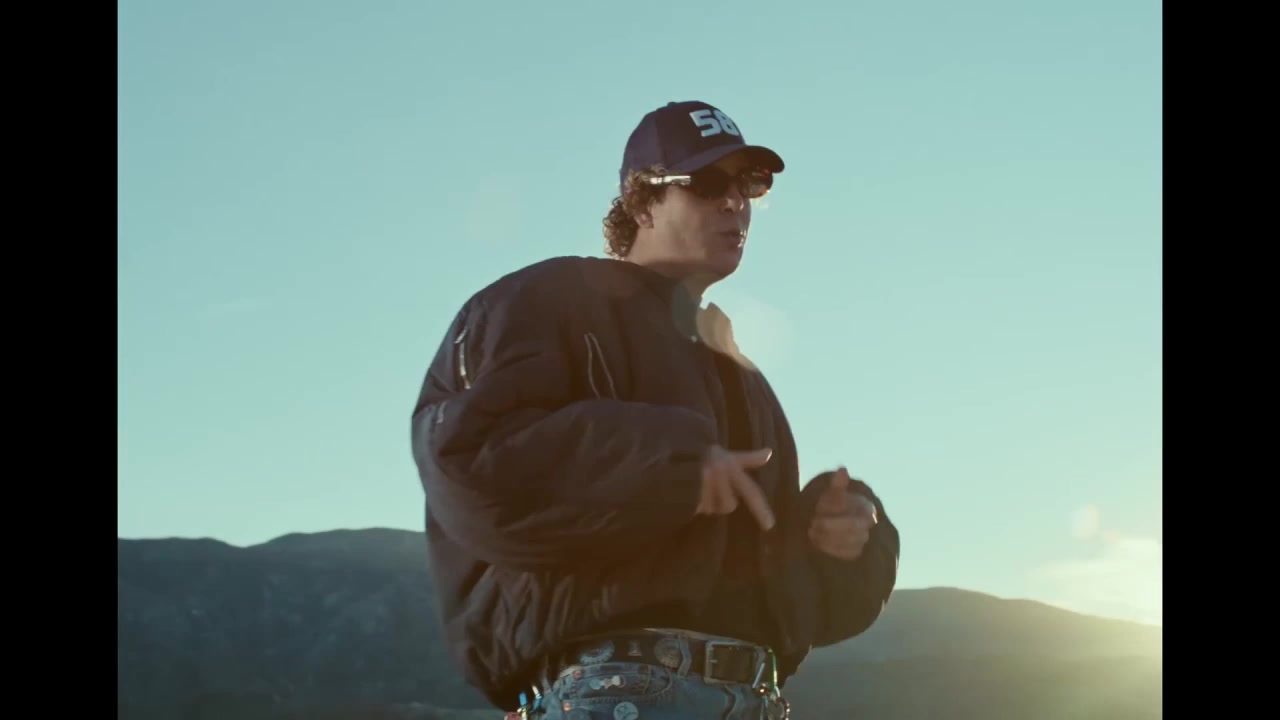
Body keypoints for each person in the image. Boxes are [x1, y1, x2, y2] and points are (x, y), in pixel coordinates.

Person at [410, 100, 900, 719]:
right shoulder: (549, 301)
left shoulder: (736, 366)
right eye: (707, 182)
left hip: (753, 696)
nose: (735, 203)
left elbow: (763, 587)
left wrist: (840, 541)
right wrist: (667, 463)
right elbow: (471, 456)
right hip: (617, 689)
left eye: (749, 184)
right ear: (641, 204)